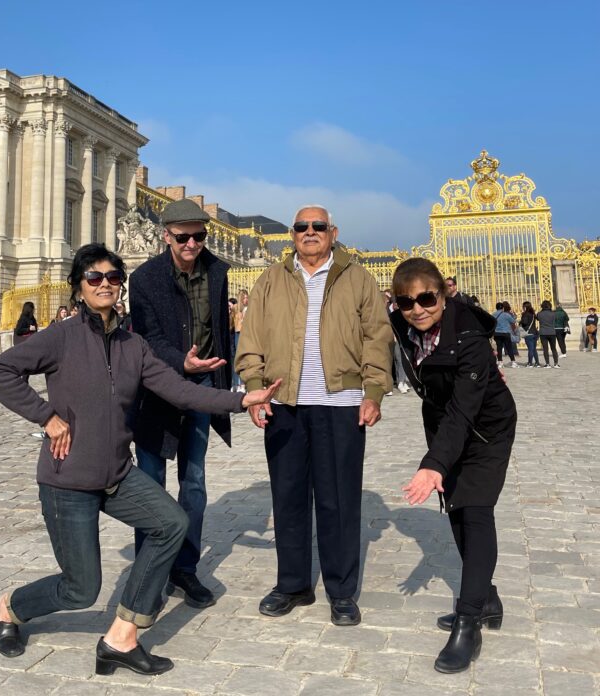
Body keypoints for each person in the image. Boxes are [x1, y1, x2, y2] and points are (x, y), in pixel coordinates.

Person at [0, 243, 280, 673]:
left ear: (121, 285)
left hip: (118, 475)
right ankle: (10, 607)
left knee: (171, 523)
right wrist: (47, 417)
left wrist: (240, 398)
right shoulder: (60, 337)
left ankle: (121, 636)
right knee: (79, 590)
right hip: (68, 479)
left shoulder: (133, 345)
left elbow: (180, 390)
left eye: (113, 277)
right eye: (95, 277)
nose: (105, 284)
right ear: (79, 287)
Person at [236, 204, 393, 626]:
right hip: (283, 402)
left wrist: (374, 391)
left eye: (318, 226)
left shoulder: (358, 278)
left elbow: (377, 338)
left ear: (332, 232)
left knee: (338, 499)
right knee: (287, 497)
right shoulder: (270, 279)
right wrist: (254, 388)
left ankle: (341, 590)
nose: (310, 232)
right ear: (292, 234)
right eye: (302, 227)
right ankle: (293, 584)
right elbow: (250, 338)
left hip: (341, 403)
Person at [390, 258, 516, 673]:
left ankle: (468, 623)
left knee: (476, 511)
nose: (418, 309)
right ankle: (487, 600)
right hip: (446, 426)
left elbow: (465, 410)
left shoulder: (470, 338)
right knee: (458, 514)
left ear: (444, 293)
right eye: (408, 302)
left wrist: (433, 465)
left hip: (486, 429)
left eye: (427, 298)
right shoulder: (400, 321)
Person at [129, 198, 234, 609]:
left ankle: (185, 569)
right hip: (157, 386)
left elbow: (222, 331)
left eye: (199, 235)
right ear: (166, 236)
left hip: (203, 385)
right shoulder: (144, 278)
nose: (192, 243)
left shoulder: (218, 272)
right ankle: (149, 573)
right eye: (183, 236)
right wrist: (180, 361)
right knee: (150, 484)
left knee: (194, 481)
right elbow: (147, 338)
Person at [491, 302, 517, 367]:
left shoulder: (493, 314)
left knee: (499, 348)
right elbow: (513, 321)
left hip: (497, 333)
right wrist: (513, 315)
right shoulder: (506, 314)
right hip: (506, 333)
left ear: (496, 308)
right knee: (509, 348)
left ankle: (500, 362)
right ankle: (513, 362)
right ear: (503, 308)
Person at [537, 301, 559, 368]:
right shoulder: (553, 313)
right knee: (553, 348)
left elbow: (538, 319)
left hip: (543, 332)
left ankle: (547, 364)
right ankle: (556, 364)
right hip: (552, 332)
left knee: (545, 349)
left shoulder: (539, 314)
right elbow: (555, 320)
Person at [518, 302, 539, 367]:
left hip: (528, 333)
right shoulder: (533, 314)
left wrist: (520, 321)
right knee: (534, 349)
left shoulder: (525, 314)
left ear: (525, 307)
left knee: (530, 349)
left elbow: (525, 322)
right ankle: (537, 362)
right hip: (535, 333)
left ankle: (530, 363)